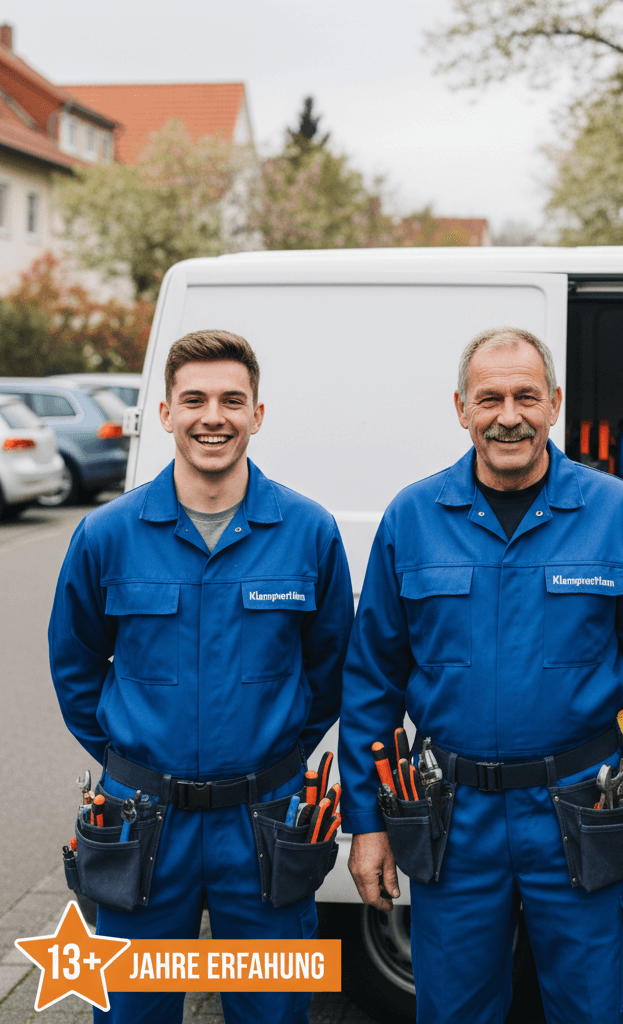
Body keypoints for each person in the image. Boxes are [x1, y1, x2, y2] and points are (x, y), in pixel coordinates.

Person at [339, 326, 623, 1023]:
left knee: (594, 1008)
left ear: (554, 403)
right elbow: (370, 685)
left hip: (584, 809)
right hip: (454, 817)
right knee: (454, 1011)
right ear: (461, 408)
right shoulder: (413, 517)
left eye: (527, 396)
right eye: (490, 397)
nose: (509, 415)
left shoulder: (615, 512)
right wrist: (368, 825)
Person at [49, 330, 353, 1024]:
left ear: (257, 414)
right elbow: (75, 666)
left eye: (230, 400)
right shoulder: (107, 534)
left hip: (266, 822)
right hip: (142, 823)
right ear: (165, 414)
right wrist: (130, 758)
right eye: (194, 400)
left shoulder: (308, 530)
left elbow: (330, 665)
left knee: (273, 1011)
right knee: (131, 1011)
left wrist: (274, 756)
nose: (212, 416)